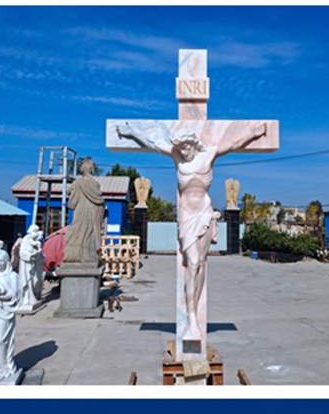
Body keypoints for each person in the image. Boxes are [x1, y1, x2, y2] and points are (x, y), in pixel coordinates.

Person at [115, 119, 268, 343]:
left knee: (201, 264)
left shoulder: (209, 154)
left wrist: (253, 133)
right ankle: (191, 317)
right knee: (193, 262)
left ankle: (194, 314)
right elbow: (153, 141)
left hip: (205, 214)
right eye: (180, 148)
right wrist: (131, 132)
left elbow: (234, 142)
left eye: (186, 147)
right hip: (187, 217)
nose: (184, 151)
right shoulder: (177, 157)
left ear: (194, 144)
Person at [64, 158, 105, 263]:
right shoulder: (94, 183)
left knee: (78, 231)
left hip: (81, 211)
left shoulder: (78, 182)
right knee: (89, 232)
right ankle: (86, 254)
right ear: (91, 169)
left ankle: (75, 254)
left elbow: (68, 193)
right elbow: (99, 200)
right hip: (90, 212)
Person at [0, 243, 23, 384]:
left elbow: (17, 296)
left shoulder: (13, 277)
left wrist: (2, 295)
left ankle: (4, 367)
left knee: (0, 340)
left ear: (6, 261)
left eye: (1, 261)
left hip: (5, 313)